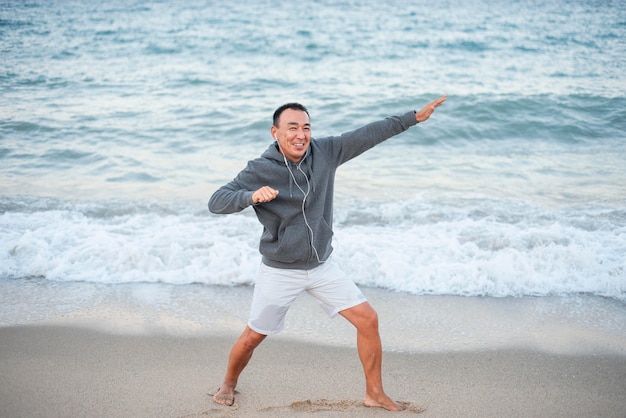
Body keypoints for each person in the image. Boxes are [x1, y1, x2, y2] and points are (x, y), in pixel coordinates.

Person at [208, 95, 446, 411]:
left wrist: (412, 118)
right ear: (275, 132)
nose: (300, 135)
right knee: (254, 336)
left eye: (306, 127)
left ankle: (374, 393)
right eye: (292, 127)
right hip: (280, 269)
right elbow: (217, 200)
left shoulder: (326, 152)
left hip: (321, 265)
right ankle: (229, 382)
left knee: (368, 319)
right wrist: (250, 195)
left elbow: (368, 134)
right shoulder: (260, 169)